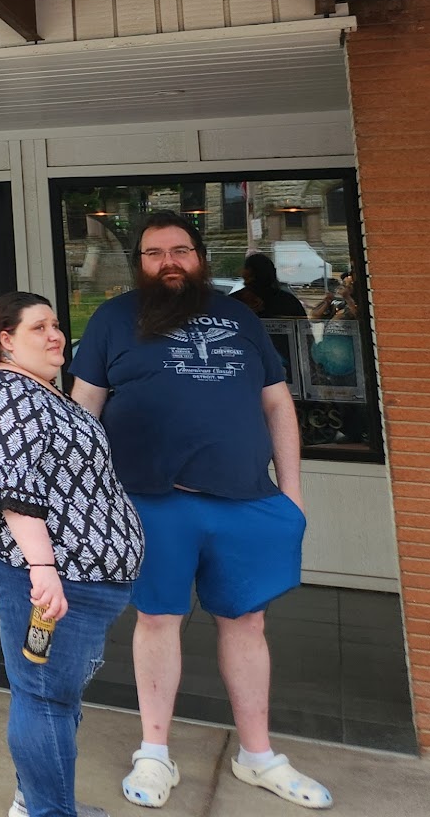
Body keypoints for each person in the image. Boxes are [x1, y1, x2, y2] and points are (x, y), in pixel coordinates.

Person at [71, 214, 330, 811]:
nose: (169, 261)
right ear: (139, 263)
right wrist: (86, 499)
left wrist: (292, 493)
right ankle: (154, 753)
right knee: (157, 619)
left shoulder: (240, 316)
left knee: (247, 623)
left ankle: (258, 755)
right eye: (154, 252)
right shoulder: (112, 319)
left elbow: (277, 405)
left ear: (199, 257)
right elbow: (83, 413)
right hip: (150, 501)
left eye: (180, 250)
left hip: (245, 499)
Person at [0, 291, 144, 817]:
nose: (55, 335)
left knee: (54, 697)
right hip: (41, 575)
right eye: (39, 327)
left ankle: (32, 802)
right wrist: (43, 569)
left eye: (56, 325)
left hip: (76, 575)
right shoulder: (5, 390)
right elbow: (7, 485)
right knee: (45, 698)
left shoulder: (38, 391)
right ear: (4, 340)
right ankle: (48, 812)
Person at [235, 253, 306, 319]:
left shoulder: (235, 301)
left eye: (245, 268)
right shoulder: (289, 301)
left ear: (248, 274)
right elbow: (303, 326)